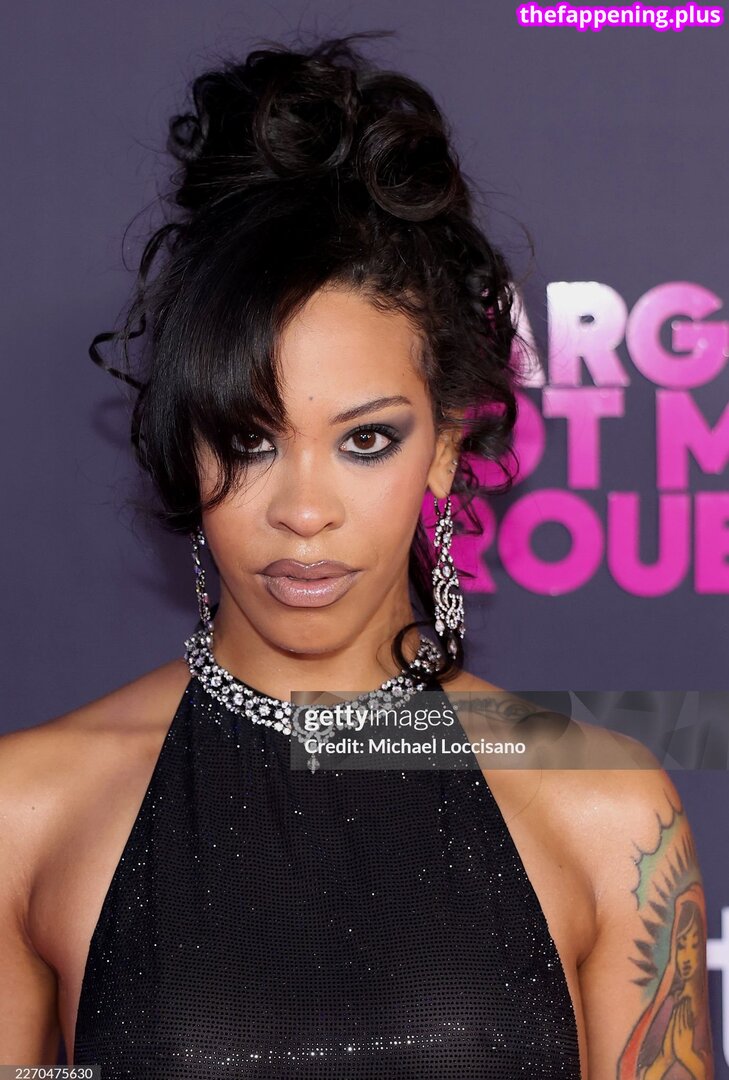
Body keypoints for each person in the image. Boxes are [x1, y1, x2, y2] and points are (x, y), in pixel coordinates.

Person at [0, 30, 712, 1079]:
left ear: (445, 451)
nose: (304, 511)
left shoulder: (606, 806)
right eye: (248, 440)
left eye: (366, 440)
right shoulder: (28, 811)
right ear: (186, 446)